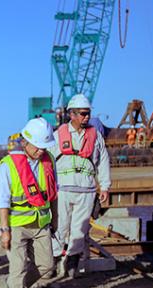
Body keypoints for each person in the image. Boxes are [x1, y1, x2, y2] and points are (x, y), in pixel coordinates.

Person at [0, 118, 58, 288]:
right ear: (26, 143)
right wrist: (4, 231)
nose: (41, 151)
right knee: (18, 267)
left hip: (40, 223)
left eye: (44, 147)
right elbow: (2, 202)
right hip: (16, 225)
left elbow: (53, 194)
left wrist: (55, 219)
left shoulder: (48, 161)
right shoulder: (8, 166)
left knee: (47, 265)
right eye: (38, 146)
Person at [51, 94, 111, 278]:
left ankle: (72, 266)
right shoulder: (57, 136)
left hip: (86, 190)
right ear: (72, 114)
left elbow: (103, 161)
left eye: (88, 113)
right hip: (64, 190)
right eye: (83, 113)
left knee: (79, 230)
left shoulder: (96, 136)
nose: (86, 117)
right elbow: (47, 161)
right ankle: (52, 263)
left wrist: (105, 187)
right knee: (60, 227)